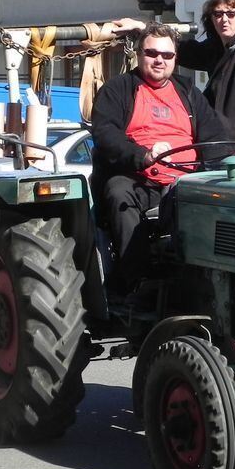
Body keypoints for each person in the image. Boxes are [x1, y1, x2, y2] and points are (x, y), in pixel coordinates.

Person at [92, 22, 226, 292]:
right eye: (152, 53)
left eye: (167, 55)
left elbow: (214, 136)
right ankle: (137, 283)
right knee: (118, 193)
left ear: (175, 58)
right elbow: (105, 133)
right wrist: (142, 155)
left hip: (186, 182)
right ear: (139, 54)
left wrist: (223, 163)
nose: (159, 60)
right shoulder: (118, 90)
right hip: (140, 181)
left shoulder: (188, 93)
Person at [116, 0, 235, 161]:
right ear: (211, 19)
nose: (224, 19)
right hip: (224, 147)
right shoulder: (216, 50)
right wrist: (141, 27)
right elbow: (180, 50)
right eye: (218, 14)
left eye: (231, 14)